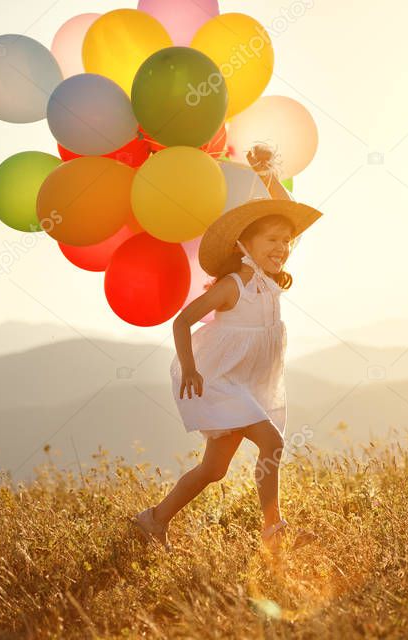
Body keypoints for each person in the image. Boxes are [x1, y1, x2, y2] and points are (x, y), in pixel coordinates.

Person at [132, 146, 323, 552]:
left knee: (212, 470)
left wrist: (267, 173)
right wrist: (189, 369)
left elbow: (284, 210)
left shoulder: (270, 279)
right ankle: (274, 532)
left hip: (250, 383)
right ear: (244, 245)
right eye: (272, 240)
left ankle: (154, 519)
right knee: (272, 444)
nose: (282, 248)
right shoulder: (232, 286)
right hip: (221, 382)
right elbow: (182, 321)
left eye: (286, 242)